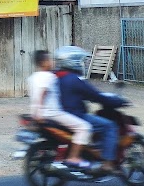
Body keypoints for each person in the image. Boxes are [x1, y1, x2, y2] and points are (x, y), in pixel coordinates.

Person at [54, 46, 124, 175]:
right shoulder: (74, 79)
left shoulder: (55, 77)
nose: (83, 64)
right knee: (109, 126)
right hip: (74, 115)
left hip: (57, 116)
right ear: (73, 62)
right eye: (81, 61)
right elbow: (95, 96)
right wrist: (116, 101)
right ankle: (107, 163)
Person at [28, 49, 92, 169]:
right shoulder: (49, 76)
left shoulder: (33, 77)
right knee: (84, 127)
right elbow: (42, 93)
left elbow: (36, 96)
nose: (52, 62)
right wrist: (39, 113)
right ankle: (74, 157)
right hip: (52, 113)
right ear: (44, 63)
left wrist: (34, 114)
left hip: (41, 114)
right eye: (50, 60)